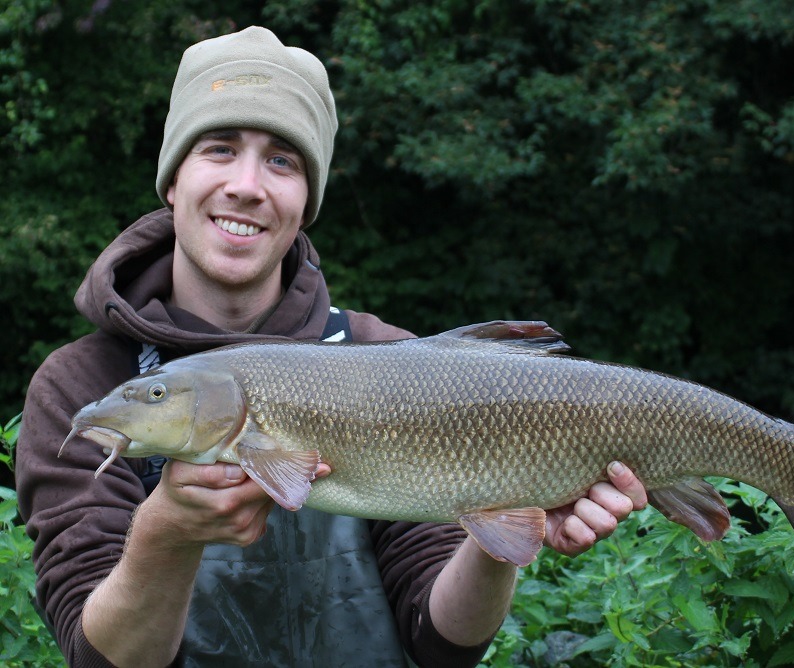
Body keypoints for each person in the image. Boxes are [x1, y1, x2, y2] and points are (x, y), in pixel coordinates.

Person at [15, 26, 648, 667]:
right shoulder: (79, 386)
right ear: (173, 179)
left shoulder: (386, 357)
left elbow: (439, 646)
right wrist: (164, 535)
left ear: (306, 202)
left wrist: (500, 522)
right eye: (219, 148)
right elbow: (96, 658)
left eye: (282, 160)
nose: (247, 184)